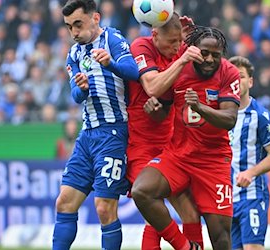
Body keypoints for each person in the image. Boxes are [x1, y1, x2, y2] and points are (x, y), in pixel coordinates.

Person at [132, 25, 241, 250]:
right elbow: (164, 109)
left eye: (216, 55)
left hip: (213, 161)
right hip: (178, 155)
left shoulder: (229, 72)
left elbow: (230, 119)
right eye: (204, 53)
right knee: (141, 191)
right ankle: (185, 247)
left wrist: (199, 107)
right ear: (193, 50)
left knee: (220, 237)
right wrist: (154, 110)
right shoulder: (178, 69)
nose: (210, 59)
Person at [52, 1, 139, 250]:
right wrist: (81, 88)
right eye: (69, 27)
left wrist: (110, 63)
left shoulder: (113, 38)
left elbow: (134, 71)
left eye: (78, 24)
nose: (74, 32)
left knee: (104, 207)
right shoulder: (74, 53)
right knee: (64, 202)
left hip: (113, 134)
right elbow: (76, 97)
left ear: (96, 18)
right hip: (87, 135)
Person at [126, 13, 206, 249]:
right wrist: (181, 61)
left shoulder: (179, 49)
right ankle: (185, 247)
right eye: (171, 42)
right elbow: (152, 87)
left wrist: (190, 36)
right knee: (153, 208)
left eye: (178, 41)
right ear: (154, 35)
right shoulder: (142, 46)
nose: (176, 47)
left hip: (172, 144)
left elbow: (164, 105)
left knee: (190, 211)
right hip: (142, 143)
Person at [227, 56, 270, 250]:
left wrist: (250, 173)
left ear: (250, 81)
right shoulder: (220, 113)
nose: (236, 81)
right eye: (232, 76)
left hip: (252, 196)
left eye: (241, 76)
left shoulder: (260, 115)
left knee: (252, 247)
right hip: (226, 198)